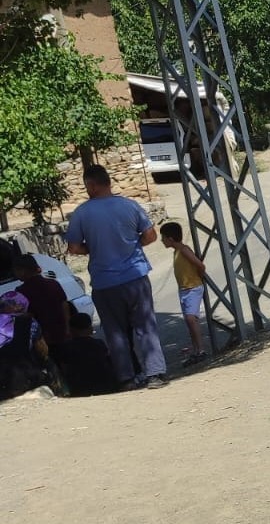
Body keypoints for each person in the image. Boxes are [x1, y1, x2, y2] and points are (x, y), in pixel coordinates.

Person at [64, 164, 169, 390]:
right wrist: (133, 244)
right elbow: (151, 235)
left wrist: (93, 247)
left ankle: (127, 379)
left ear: (91, 185)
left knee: (115, 332)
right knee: (145, 326)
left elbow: (73, 247)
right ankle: (156, 374)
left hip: (104, 282)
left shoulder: (82, 213)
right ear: (108, 182)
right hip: (136, 277)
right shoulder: (130, 206)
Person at [160, 221, 208, 366]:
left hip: (192, 287)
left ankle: (201, 350)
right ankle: (196, 350)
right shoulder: (176, 252)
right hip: (184, 289)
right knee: (189, 321)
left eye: (163, 237)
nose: (162, 241)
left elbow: (200, 265)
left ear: (171, 238)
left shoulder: (184, 250)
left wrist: (199, 277)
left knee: (191, 319)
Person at [12, 253, 71, 360]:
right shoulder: (53, 283)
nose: (16, 274)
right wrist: (67, 328)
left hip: (43, 338)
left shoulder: (22, 292)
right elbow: (64, 305)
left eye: (16, 271)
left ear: (22, 270)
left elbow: (27, 316)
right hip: (61, 332)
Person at [55, 312, 118, 397]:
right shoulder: (99, 344)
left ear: (71, 329)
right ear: (90, 328)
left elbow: (64, 368)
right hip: (105, 385)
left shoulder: (66, 347)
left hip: (80, 388)